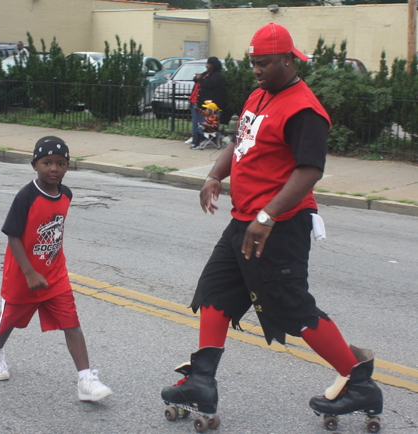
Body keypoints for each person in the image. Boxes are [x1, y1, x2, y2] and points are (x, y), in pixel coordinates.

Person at [161, 22, 383, 424]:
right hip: (244, 222)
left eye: (263, 63)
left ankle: (359, 381)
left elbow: (309, 171)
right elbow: (238, 140)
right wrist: (215, 175)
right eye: (253, 63)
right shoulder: (259, 95)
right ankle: (202, 381)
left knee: (292, 307)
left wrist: (268, 215)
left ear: (287, 59)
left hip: (279, 226)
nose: (256, 70)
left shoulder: (305, 110)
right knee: (214, 292)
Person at [0, 136, 112, 402]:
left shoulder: (66, 194)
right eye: (47, 162)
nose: (54, 168)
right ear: (35, 165)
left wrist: (47, 267)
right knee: (9, 321)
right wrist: (29, 272)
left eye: (61, 163)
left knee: (71, 322)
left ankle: (86, 379)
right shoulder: (26, 196)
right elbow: (13, 236)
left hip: (55, 274)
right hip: (23, 275)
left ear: (67, 167)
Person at [185, 57, 226, 145]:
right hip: (196, 100)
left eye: (209, 64)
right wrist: (197, 77)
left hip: (208, 104)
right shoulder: (206, 74)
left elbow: (208, 84)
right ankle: (194, 138)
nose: (207, 66)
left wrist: (200, 79)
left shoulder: (217, 76)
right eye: (207, 64)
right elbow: (199, 80)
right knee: (196, 120)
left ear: (214, 65)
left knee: (206, 121)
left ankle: (207, 138)